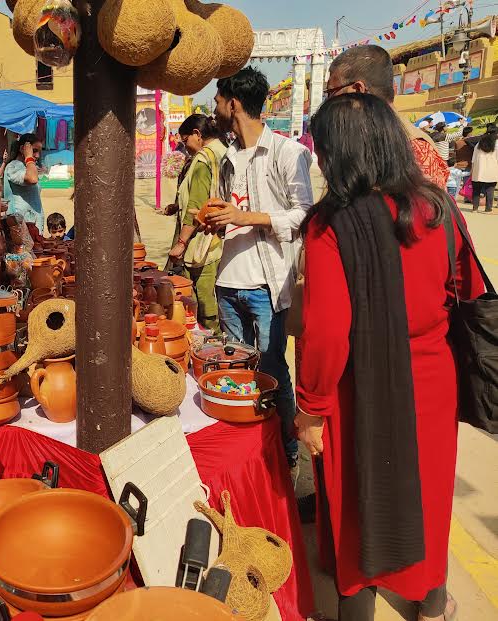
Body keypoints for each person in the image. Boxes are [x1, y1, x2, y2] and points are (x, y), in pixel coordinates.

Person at [296, 93, 482, 621]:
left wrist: (310, 407)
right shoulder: (439, 208)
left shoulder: (331, 224)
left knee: (360, 502)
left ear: (342, 153)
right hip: (433, 377)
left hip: (361, 385)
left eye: (323, 149)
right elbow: (464, 287)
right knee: (429, 493)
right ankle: (430, 604)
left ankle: (359, 610)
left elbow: (329, 333)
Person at [198, 67, 314, 467]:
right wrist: (213, 220)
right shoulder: (227, 156)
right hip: (229, 280)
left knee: (271, 369)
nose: (213, 109)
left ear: (233, 103)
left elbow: (305, 215)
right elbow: (228, 210)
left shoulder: (287, 152)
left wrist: (247, 217)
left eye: (217, 100)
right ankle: (247, 452)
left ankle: (287, 454)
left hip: (267, 286)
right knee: (237, 373)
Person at [325, 45, 450, 189]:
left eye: (331, 92)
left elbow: (425, 210)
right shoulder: (365, 139)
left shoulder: (414, 150)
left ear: (358, 90)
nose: (329, 101)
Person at [166, 114, 226, 333]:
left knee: (203, 300)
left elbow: (197, 205)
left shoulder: (203, 160)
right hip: (221, 237)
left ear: (197, 134)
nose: (185, 146)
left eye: (185, 140)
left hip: (204, 242)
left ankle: (212, 347)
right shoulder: (223, 152)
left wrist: (181, 243)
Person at [4, 133, 44, 233]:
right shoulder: (13, 166)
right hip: (23, 226)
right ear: (23, 149)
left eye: (39, 152)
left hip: (33, 225)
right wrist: (29, 158)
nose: (37, 156)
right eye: (34, 151)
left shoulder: (28, 166)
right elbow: (32, 179)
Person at [470, 123, 498, 213]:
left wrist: (472, 169)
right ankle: (488, 209)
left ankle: (475, 208)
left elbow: (473, 159)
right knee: (490, 190)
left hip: (478, 170)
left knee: (476, 190)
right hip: (492, 170)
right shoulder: (496, 144)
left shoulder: (479, 143)